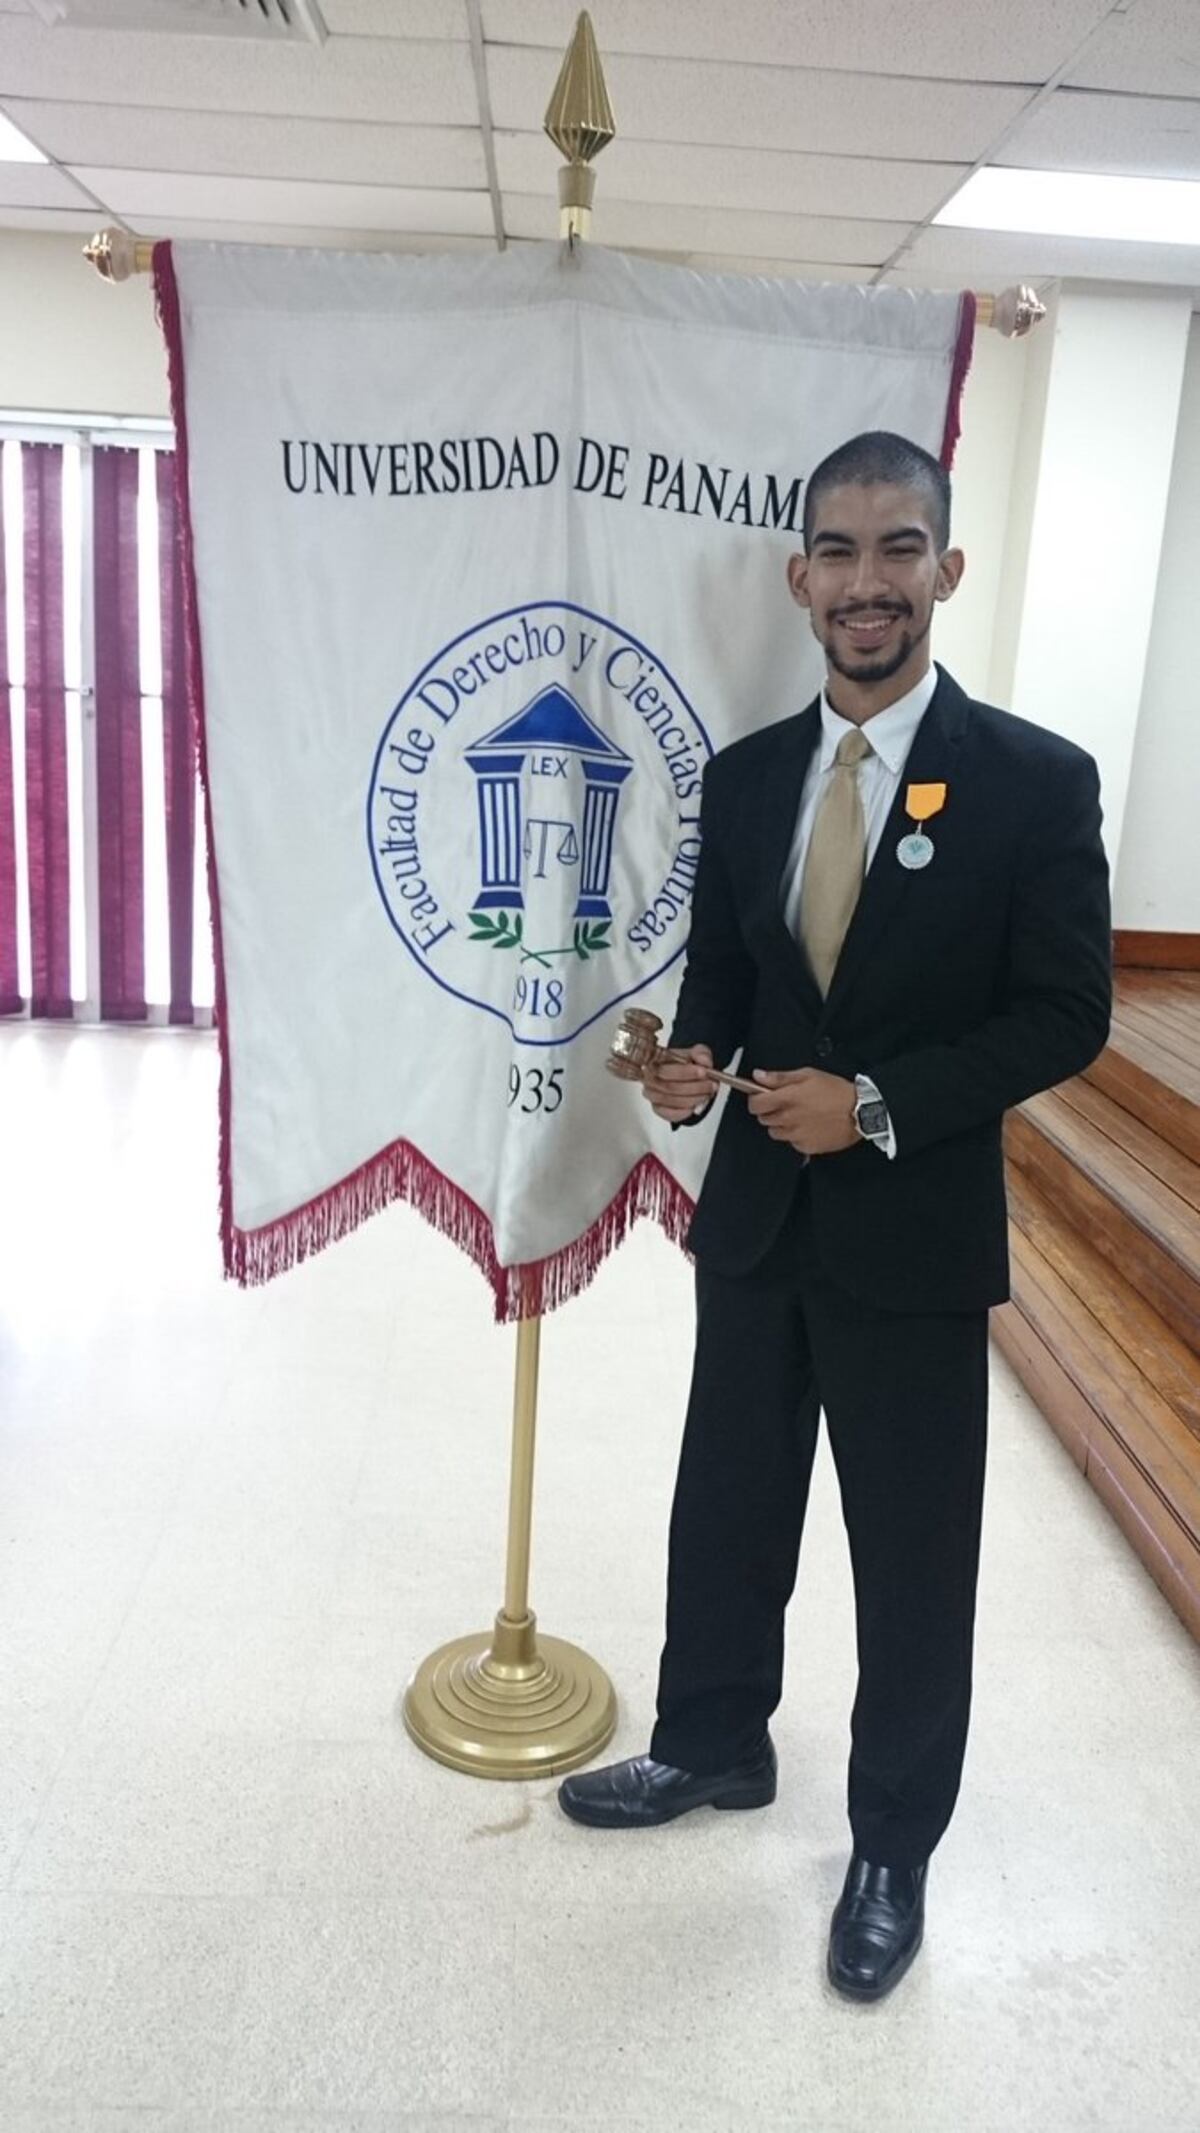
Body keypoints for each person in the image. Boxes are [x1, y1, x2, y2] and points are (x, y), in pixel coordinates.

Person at [558, 430, 1113, 2002]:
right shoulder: (745, 779)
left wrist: (872, 1102)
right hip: (753, 1225)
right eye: (841, 552)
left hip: (914, 1238)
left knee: (911, 1553)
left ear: (946, 567)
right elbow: (733, 980)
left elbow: (1067, 1013)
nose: (868, 583)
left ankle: (889, 1844)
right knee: (725, 1504)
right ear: (800, 577)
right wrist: (692, 1065)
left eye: (899, 549)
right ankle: (711, 1742)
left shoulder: (1032, 783)